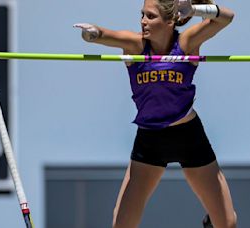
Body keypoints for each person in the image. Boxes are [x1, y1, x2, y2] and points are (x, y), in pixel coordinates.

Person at [74, 0, 236, 227]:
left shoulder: (187, 42)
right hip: (150, 139)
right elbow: (104, 35)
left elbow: (227, 18)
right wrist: (92, 34)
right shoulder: (136, 46)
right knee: (121, 225)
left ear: (170, 21)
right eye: (142, 15)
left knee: (227, 224)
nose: (143, 21)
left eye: (150, 16)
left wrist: (196, 10)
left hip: (188, 137)